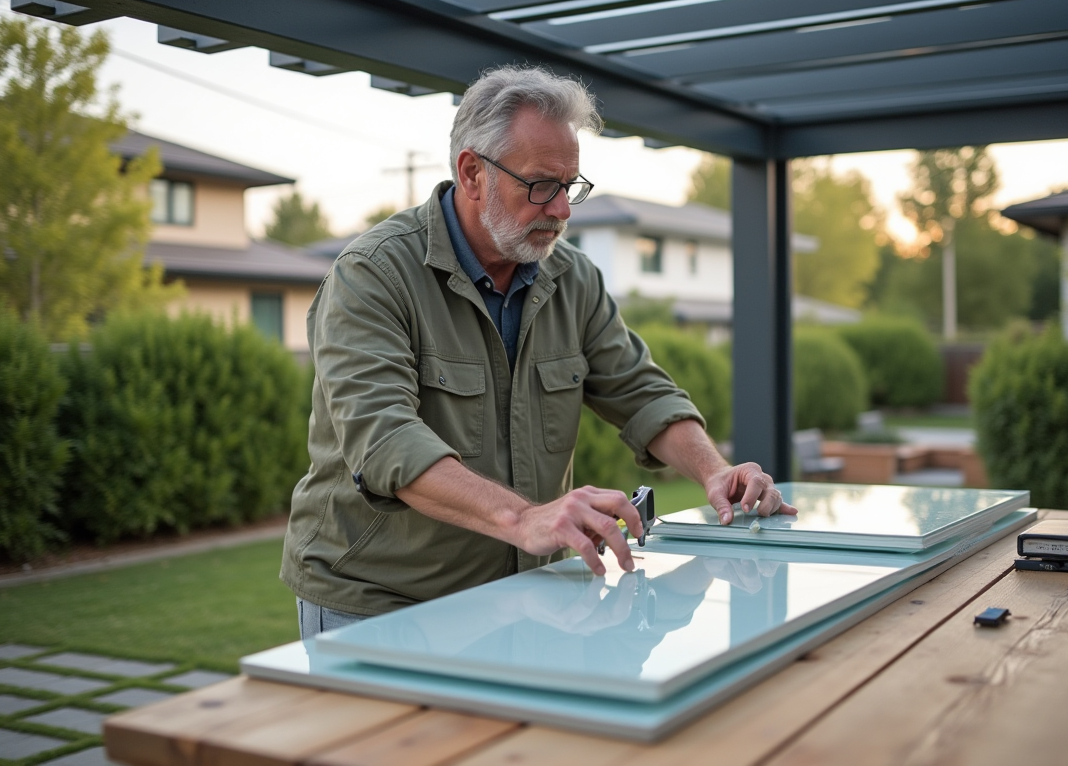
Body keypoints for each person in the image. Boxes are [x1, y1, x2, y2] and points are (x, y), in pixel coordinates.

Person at [282, 65, 796, 637]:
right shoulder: (373, 276)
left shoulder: (573, 279)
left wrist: (714, 471)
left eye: (570, 186)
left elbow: (642, 393)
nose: (562, 211)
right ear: (472, 173)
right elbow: (383, 441)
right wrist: (525, 518)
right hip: (380, 602)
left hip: (527, 596)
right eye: (542, 186)